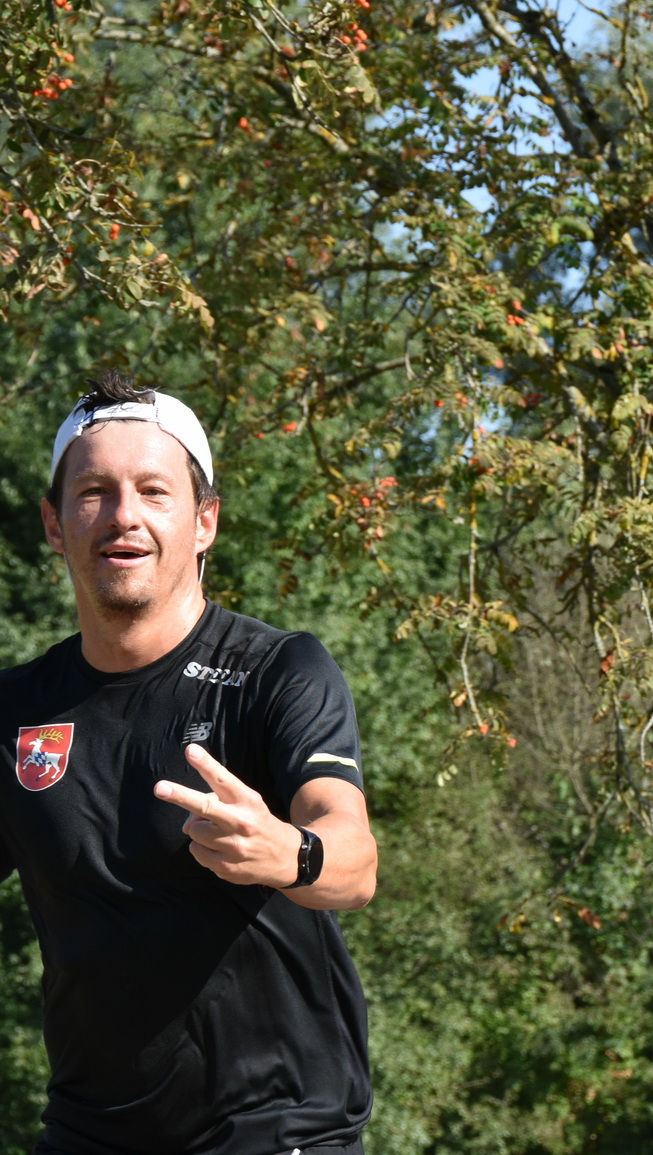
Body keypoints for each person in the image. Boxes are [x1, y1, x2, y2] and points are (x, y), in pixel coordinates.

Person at [1, 371, 376, 1154]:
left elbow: (353, 855)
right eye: (94, 491)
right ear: (54, 522)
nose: (123, 516)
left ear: (204, 521)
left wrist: (288, 852)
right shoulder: (18, 710)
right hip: (88, 1129)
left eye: (153, 490)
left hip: (276, 1123)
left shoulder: (279, 670)